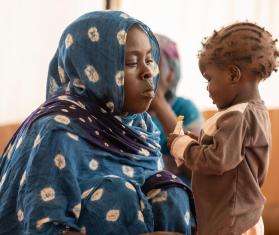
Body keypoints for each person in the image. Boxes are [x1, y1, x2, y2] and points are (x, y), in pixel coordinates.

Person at [0, 11, 196, 235]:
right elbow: (43, 227)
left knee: (171, 191)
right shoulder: (58, 129)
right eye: (132, 62)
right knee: (117, 193)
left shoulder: (140, 126)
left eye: (150, 60)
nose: (147, 72)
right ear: (95, 70)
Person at [168, 22, 278, 235]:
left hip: (231, 222)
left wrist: (183, 146)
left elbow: (217, 160)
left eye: (209, 79)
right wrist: (196, 143)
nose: (208, 88)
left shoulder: (239, 116)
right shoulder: (251, 111)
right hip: (236, 217)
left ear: (233, 75)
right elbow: (229, 154)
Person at [149, 34, 203, 184]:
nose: (146, 72)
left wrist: (160, 105)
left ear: (171, 74)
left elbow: (198, 171)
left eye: (153, 64)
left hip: (178, 194)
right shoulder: (127, 111)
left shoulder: (185, 109)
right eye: (134, 63)